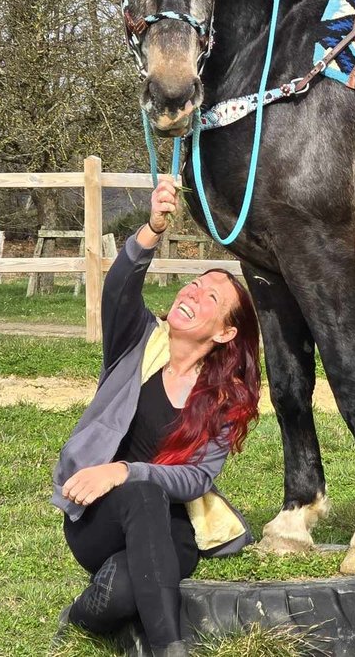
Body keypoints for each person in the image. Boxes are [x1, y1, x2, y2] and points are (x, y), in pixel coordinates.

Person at [51, 177, 260, 657]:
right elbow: (118, 290)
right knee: (142, 494)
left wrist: (125, 470)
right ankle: (172, 649)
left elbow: (197, 478)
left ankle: (80, 615)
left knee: (124, 590)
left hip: (171, 528)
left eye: (211, 299)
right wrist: (152, 229)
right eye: (196, 284)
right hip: (100, 516)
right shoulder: (136, 344)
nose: (193, 293)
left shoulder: (224, 397)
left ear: (226, 333)